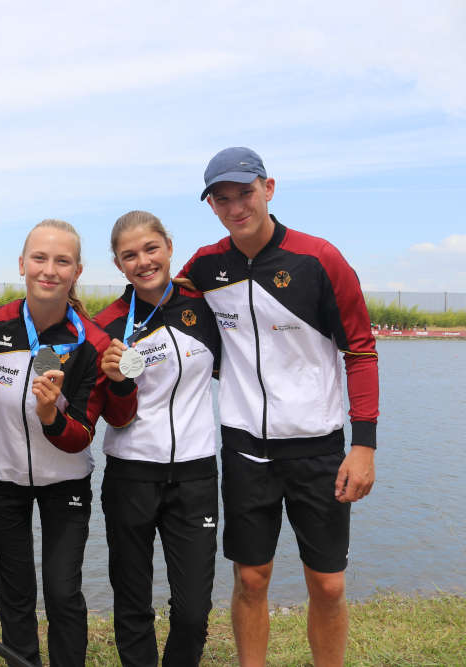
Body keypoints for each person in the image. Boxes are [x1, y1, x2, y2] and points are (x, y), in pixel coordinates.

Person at [179, 147, 379, 666]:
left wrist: (364, 446)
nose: (234, 207)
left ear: (269, 189)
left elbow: (360, 350)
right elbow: (159, 303)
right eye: (221, 200)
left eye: (244, 193)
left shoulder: (319, 259)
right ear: (212, 207)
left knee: (329, 586)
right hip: (245, 447)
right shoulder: (205, 266)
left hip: (318, 448)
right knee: (250, 577)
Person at [0, 219, 135, 666]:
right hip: (1, 480)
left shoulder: (92, 342)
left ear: (77, 270)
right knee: (15, 588)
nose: (49, 270)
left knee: (63, 592)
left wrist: (50, 418)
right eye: (40, 258)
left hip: (66, 481)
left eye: (62, 261)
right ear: (22, 263)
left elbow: (83, 433)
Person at [94, 211, 221, 666]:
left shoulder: (206, 306)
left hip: (196, 476)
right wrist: (117, 381)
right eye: (130, 255)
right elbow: (108, 411)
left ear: (168, 246)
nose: (143, 261)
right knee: (132, 602)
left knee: (192, 610)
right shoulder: (107, 325)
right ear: (117, 263)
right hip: (130, 474)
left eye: (151, 248)